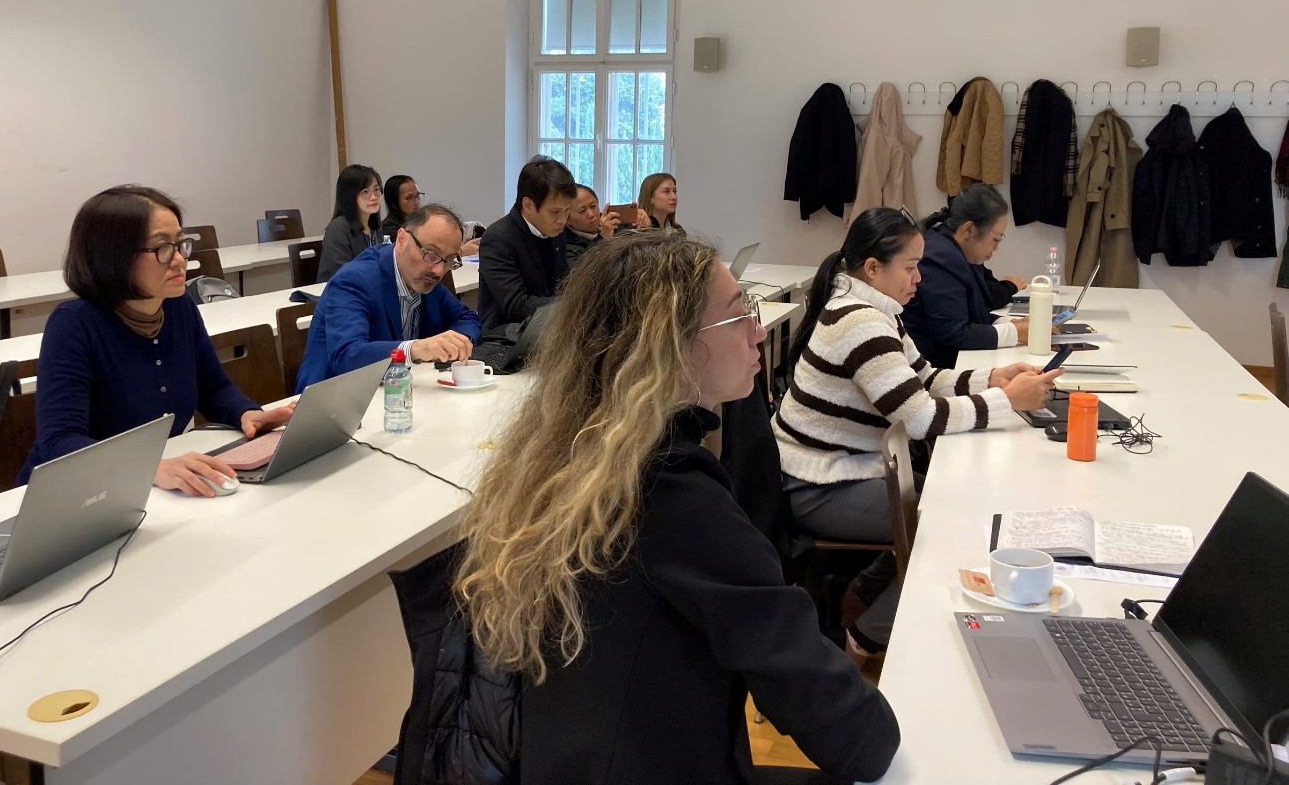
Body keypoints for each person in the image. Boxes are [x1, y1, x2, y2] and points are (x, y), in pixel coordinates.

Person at [455, 231, 900, 784]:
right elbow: (844, 723)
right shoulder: (668, 490)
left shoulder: (581, 455)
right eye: (739, 315)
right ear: (673, 346)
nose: (759, 331)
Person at [773, 208, 1061, 661]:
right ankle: (863, 639)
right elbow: (920, 419)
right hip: (815, 483)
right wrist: (1008, 401)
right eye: (910, 267)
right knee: (952, 524)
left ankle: (863, 594)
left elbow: (924, 379)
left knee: (951, 502)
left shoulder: (876, 309)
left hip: (839, 471)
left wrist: (993, 379)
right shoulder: (860, 322)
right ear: (873, 268)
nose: (918, 278)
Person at [21, 186, 294, 496]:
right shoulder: (74, 324)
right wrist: (148, 467)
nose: (179, 260)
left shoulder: (178, 305)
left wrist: (248, 414)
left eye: (180, 244)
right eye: (162, 247)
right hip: (70, 496)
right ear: (114, 256)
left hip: (148, 488)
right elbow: (61, 441)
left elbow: (213, 388)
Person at [296, 204, 481, 390]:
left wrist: (454, 344)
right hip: (336, 396)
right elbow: (347, 356)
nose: (439, 271)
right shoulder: (355, 279)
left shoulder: (427, 277)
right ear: (401, 239)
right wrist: (416, 349)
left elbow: (467, 318)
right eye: (431, 254)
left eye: (448, 260)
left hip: (398, 390)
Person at [900, 185, 1040, 369]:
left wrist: (1010, 323)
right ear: (969, 229)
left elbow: (973, 313)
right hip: (931, 369)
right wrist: (1015, 332)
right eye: (996, 239)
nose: (996, 248)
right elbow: (955, 334)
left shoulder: (956, 251)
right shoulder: (940, 258)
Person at [477, 157, 576, 332]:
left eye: (567, 210)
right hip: (507, 335)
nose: (563, 220)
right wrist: (572, 304)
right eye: (555, 211)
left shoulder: (556, 232)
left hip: (548, 328)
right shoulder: (498, 238)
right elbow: (516, 305)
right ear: (528, 205)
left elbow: (562, 285)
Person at [316, 164, 386, 283]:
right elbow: (344, 274)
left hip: (369, 287)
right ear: (349, 196)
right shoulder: (338, 228)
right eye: (365, 191)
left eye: (376, 189)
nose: (374, 197)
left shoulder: (375, 226)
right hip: (341, 290)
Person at [384, 174, 480, 256]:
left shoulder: (420, 221)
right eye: (409, 198)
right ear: (394, 202)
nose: (416, 201)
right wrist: (461, 252)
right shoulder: (389, 228)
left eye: (417, 196)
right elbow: (413, 256)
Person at [561, 184, 646, 263]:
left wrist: (645, 227)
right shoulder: (563, 246)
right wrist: (603, 237)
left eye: (593, 206)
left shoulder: (616, 226)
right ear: (567, 219)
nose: (591, 214)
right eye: (582, 211)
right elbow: (585, 271)